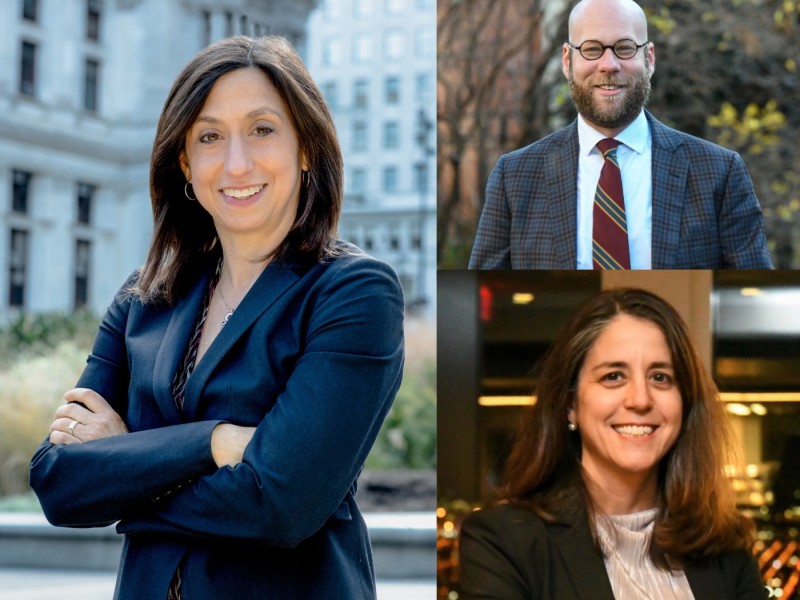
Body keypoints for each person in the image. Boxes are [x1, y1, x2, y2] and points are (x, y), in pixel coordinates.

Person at [29, 36, 404, 600]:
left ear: (306, 147)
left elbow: (279, 505)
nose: (237, 163)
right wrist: (219, 443)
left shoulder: (352, 293)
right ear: (185, 160)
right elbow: (58, 484)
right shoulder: (144, 297)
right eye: (209, 137)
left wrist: (127, 457)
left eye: (262, 129)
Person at [458, 289, 767, 599]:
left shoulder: (726, 550)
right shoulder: (504, 542)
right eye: (614, 376)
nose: (640, 400)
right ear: (570, 404)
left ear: (684, 403)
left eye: (660, 377)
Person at [468, 0, 773, 270]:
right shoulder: (515, 177)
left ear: (649, 59)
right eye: (592, 49)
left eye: (625, 48)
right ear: (567, 60)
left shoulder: (719, 172)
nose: (609, 65)